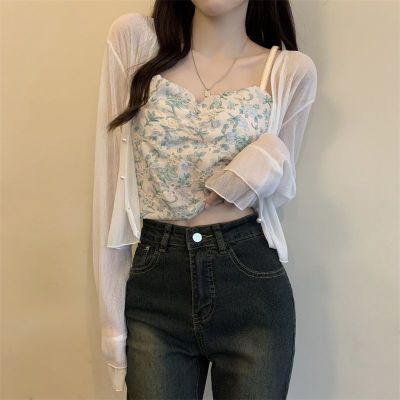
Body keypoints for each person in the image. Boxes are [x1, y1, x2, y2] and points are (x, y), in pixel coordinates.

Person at [92, 0, 317, 398]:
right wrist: (112, 328)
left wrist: (265, 158)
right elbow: (109, 186)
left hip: (250, 285)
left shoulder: (289, 71)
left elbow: (282, 187)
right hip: (156, 286)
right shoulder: (134, 41)